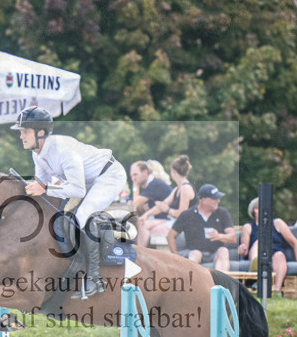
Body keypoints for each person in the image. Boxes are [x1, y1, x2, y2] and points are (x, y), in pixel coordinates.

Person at [14, 106, 128, 299]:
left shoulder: (62, 149)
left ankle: (94, 278)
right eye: (21, 132)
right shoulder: (37, 153)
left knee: (80, 217)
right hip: (86, 180)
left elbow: (77, 190)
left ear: (40, 132)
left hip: (109, 176)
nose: (21, 136)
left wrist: (45, 188)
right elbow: (42, 185)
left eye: (25, 131)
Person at [237, 197, 297, 294]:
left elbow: (295, 243)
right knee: (259, 242)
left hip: (274, 252)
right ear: (256, 210)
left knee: (279, 255)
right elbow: (244, 250)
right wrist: (241, 249)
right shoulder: (248, 227)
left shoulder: (278, 223)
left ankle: (277, 290)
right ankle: (257, 280)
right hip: (256, 252)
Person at [167, 184, 236, 271]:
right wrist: (175, 256)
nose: (218, 201)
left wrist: (220, 236)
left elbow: (233, 237)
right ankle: (188, 281)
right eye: (215, 198)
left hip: (214, 253)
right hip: (193, 251)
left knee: (223, 250)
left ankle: (220, 283)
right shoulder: (187, 215)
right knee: (196, 254)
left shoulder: (222, 213)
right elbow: (170, 236)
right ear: (203, 200)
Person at [135, 155, 195, 247]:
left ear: (173, 171)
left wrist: (167, 210)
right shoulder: (176, 189)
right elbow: (161, 206)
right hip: (173, 221)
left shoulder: (186, 189)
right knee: (142, 224)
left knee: (154, 231)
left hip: (185, 225)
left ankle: (144, 256)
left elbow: (183, 214)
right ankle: (139, 255)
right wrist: (146, 215)